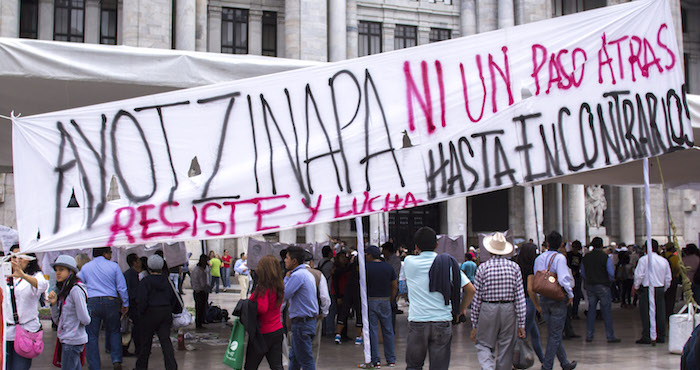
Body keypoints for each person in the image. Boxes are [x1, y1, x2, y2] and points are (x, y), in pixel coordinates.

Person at [404, 227, 475, 370]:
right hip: (442, 320)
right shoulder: (447, 264)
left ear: (416, 246)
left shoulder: (409, 262)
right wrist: (460, 310)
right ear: (437, 245)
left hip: (418, 320)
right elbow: (470, 290)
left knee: (413, 366)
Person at [470, 232, 526, 370]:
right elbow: (520, 297)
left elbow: (476, 297)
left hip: (488, 308)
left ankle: (488, 367)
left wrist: (474, 322)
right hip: (509, 309)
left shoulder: (483, 268)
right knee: (506, 345)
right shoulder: (514, 267)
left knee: (483, 343)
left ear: (490, 250)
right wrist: (521, 323)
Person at [531, 231, 577, 370]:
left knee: (553, 332)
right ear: (561, 244)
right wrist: (570, 294)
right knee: (555, 334)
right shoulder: (560, 258)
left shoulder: (539, 258)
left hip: (544, 297)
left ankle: (564, 363)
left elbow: (536, 276)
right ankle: (547, 365)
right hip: (557, 297)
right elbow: (563, 279)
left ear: (547, 243)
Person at [78, 247, 128, 370]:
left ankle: (94, 365)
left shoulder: (86, 268)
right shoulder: (114, 266)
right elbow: (122, 287)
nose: (111, 255)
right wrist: (125, 303)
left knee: (92, 335)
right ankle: (116, 360)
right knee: (114, 331)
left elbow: (80, 282)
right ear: (104, 253)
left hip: (92, 301)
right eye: (110, 252)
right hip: (111, 301)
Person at [3, 245, 49, 370]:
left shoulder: (35, 275)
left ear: (30, 259)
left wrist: (23, 275)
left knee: (20, 367)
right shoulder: (4, 277)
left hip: (25, 333)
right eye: (14, 256)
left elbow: (43, 285)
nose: (17, 259)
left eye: (21, 256)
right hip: (6, 334)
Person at [135, 255, 182, 370]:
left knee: (145, 343)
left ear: (149, 267)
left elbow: (142, 300)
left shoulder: (145, 282)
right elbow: (173, 298)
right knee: (166, 342)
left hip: (149, 313)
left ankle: (141, 367)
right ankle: (171, 366)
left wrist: (140, 313)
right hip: (165, 313)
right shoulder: (167, 281)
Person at [49, 255, 90, 370]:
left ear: (71, 271)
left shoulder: (76, 290)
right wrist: (53, 304)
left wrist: (73, 328)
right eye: (56, 270)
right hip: (68, 340)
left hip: (72, 341)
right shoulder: (65, 291)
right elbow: (58, 320)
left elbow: (85, 319)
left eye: (61, 270)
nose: (57, 273)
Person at [245, 255, 284, 370]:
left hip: (262, 333)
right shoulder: (279, 286)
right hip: (277, 329)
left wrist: (248, 305)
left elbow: (262, 308)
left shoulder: (262, 288)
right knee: (276, 366)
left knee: (250, 366)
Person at [360, 246, 397, 368]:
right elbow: (395, 286)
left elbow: (363, 285)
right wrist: (391, 299)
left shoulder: (366, 268)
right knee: (388, 330)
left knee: (373, 331)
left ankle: (376, 361)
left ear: (370, 255)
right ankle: (391, 359)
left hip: (371, 300)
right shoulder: (388, 267)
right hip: (385, 300)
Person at [283, 246, 319, 370]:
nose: (284, 261)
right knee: (295, 358)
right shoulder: (305, 273)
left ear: (294, 261)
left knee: (305, 359)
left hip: (302, 323)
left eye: (287, 258)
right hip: (305, 322)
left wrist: (286, 278)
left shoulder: (297, 275)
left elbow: (285, 294)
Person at [581, 237, 620, 343]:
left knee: (591, 310)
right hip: (603, 285)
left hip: (590, 285)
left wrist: (588, 279)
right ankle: (610, 336)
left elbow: (583, 272)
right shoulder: (604, 257)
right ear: (602, 245)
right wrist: (610, 282)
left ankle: (589, 335)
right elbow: (610, 272)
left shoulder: (586, 257)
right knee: (606, 311)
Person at [634, 239, 672, 344]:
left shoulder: (643, 260)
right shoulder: (663, 260)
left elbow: (639, 275)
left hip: (647, 288)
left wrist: (636, 287)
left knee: (646, 312)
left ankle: (647, 335)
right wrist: (663, 289)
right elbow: (668, 278)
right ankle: (661, 335)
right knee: (660, 312)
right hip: (659, 287)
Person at [516, 242, 545, 364]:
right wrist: (538, 306)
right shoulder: (530, 268)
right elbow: (530, 289)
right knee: (524, 335)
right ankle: (517, 362)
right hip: (529, 302)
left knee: (535, 335)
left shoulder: (516, 265)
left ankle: (544, 361)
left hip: (519, 301)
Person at [123, 253, 142, 357]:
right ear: (134, 262)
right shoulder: (131, 275)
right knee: (134, 328)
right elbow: (131, 292)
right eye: (138, 260)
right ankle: (134, 349)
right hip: (132, 305)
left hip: (131, 304)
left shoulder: (131, 274)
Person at [663, 243, 682, 319]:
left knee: (663, 298)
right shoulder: (674, 258)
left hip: (662, 280)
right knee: (671, 298)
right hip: (673, 280)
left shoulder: (662, 256)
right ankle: (669, 313)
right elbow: (677, 268)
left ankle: (663, 313)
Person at [191, 254, 210, 329]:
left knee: (201, 307)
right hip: (200, 291)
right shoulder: (199, 271)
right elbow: (202, 283)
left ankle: (201, 321)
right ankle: (199, 323)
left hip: (200, 290)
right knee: (200, 308)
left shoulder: (198, 269)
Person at [566, 241, 583, 319]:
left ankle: (574, 312)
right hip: (569, 276)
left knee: (577, 295)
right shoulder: (568, 255)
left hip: (577, 276)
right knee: (568, 294)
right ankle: (569, 312)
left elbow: (580, 265)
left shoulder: (580, 256)